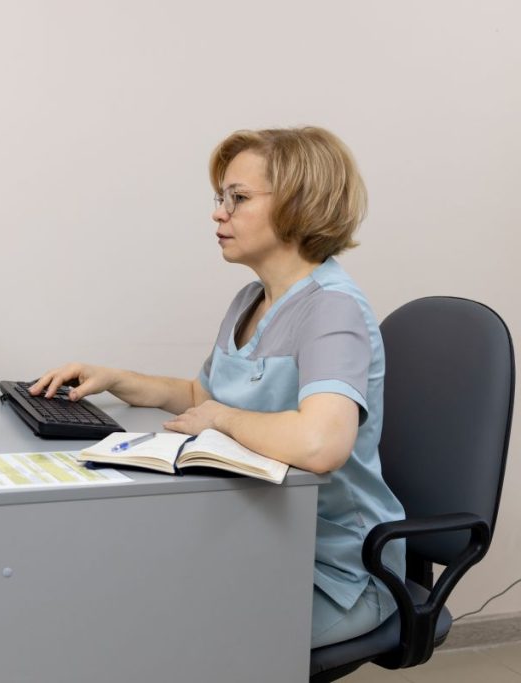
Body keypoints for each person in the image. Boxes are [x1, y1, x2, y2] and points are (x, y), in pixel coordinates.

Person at [30, 126, 406, 648]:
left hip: (334, 572)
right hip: (261, 540)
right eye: (220, 197)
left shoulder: (332, 309)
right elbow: (203, 397)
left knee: (172, 640)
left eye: (239, 198)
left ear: (300, 203)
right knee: (129, 605)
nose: (218, 212)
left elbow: (322, 444)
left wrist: (222, 420)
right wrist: (116, 380)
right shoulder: (253, 300)